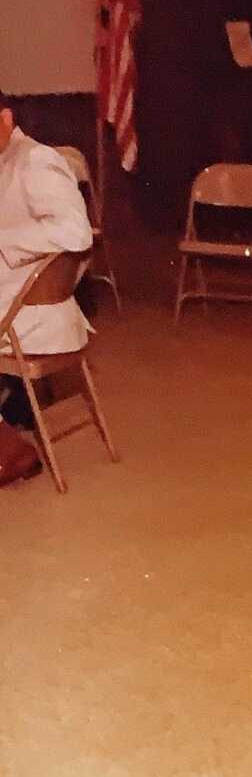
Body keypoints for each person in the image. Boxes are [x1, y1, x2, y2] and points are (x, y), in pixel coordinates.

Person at [0, 92, 93, 487]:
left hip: (37, 313)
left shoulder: (36, 160)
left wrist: (4, 241)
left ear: (5, 118)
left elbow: (76, 231)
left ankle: (10, 450)